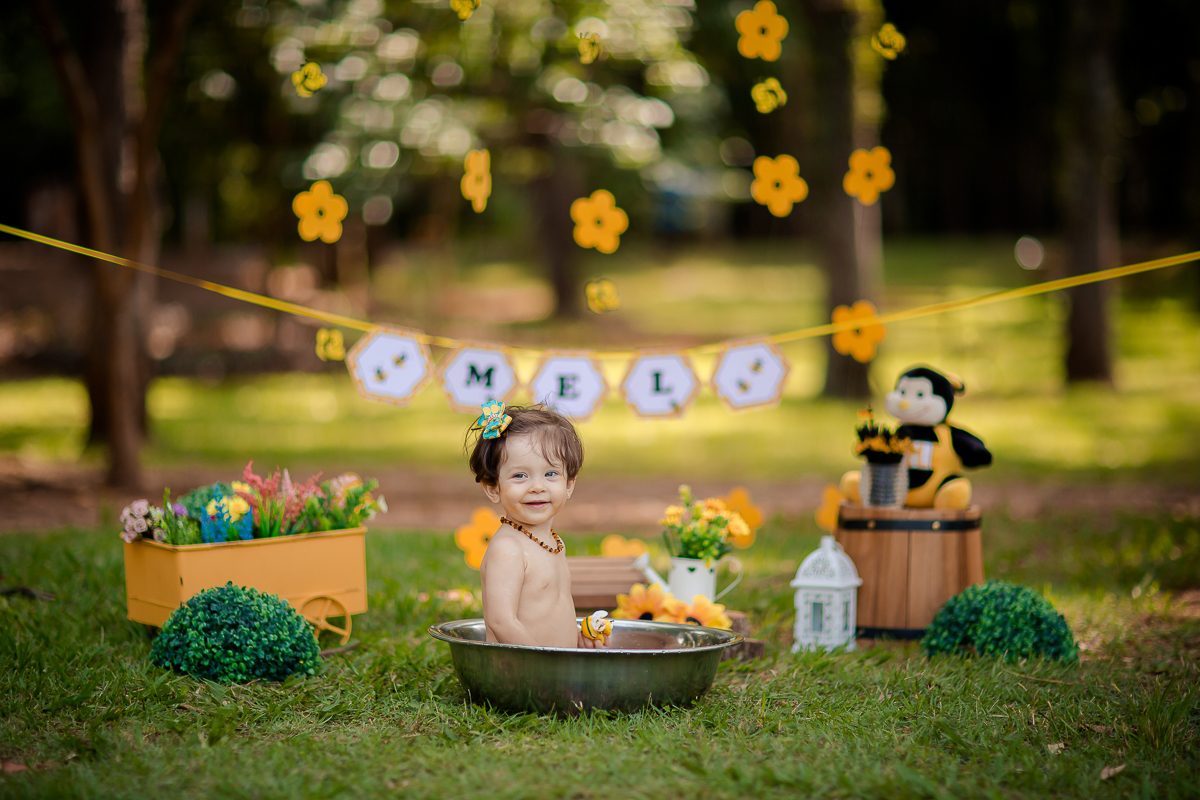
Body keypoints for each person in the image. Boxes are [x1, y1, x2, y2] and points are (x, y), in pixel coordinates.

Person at [467, 402, 608, 649]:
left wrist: (576, 637)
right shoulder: (508, 549)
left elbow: (554, 608)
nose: (537, 487)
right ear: (493, 488)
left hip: (556, 667)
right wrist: (543, 663)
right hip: (520, 671)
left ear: (569, 485)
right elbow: (501, 622)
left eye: (550, 474)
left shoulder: (555, 542)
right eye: (520, 476)